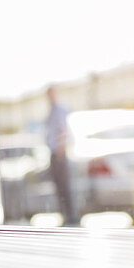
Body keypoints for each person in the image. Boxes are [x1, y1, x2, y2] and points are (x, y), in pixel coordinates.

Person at [45, 86, 76, 225]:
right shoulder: (51, 111)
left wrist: (60, 151)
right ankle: (64, 215)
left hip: (59, 153)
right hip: (54, 153)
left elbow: (62, 131)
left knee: (64, 186)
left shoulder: (58, 110)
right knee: (58, 186)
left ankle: (70, 216)